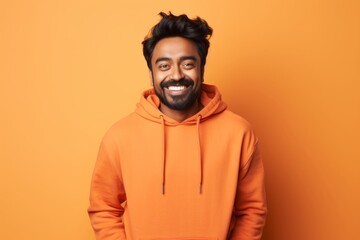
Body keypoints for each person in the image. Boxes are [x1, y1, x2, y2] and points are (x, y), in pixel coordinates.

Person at [88, 12, 267, 240]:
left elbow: (252, 210)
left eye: (188, 64)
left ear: (201, 67)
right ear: (151, 72)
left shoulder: (238, 133)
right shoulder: (120, 136)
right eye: (164, 66)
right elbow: (103, 208)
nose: (176, 75)